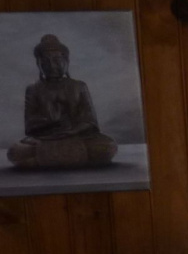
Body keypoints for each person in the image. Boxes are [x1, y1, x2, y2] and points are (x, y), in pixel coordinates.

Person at [6, 34, 118, 169]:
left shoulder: (79, 86)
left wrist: (72, 130)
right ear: (38, 64)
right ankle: (76, 158)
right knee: (16, 152)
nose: (52, 66)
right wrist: (51, 121)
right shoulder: (33, 89)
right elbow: (30, 126)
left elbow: (90, 121)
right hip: (45, 139)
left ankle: (46, 160)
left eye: (57, 60)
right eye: (45, 62)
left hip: (76, 136)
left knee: (107, 146)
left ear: (66, 62)